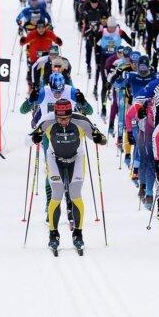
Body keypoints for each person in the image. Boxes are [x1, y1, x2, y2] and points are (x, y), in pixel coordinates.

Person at [29, 99, 107, 254]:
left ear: (71, 114)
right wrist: (34, 138)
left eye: (66, 118)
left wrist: (99, 139)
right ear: (55, 115)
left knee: (75, 194)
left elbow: (102, 138)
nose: (63, 121)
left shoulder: (82, 121)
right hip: (54, 159)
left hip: (76, 158)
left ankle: (78, 234)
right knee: (57, 194)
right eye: (60, 118)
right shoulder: (47, 121)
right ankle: (53, 234)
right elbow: (30, 138)